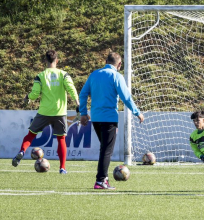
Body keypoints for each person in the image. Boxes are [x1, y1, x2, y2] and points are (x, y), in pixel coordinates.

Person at [79, 52, 144, 190]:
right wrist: (137, 112)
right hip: (109, 118)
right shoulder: (116, 76)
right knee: (106, 151)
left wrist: (84, 113)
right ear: (119, 64)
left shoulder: (94, 74)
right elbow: (126, 97)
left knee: (105, 149)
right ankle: (101, 180)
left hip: (96, 118)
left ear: (105, 61)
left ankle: (104, 179)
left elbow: (83, 94)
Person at [12, 50, 79, 174]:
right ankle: (62, 168)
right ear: (57, 61)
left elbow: (35, 93)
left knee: (31, 135)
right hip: (59, 112)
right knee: (61, 140)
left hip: (44, 112)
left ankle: (22, 151)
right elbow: (71, 89)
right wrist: (78, 104)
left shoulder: (40, 76)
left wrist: (28, 97)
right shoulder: (63, 74)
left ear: (45, 61)